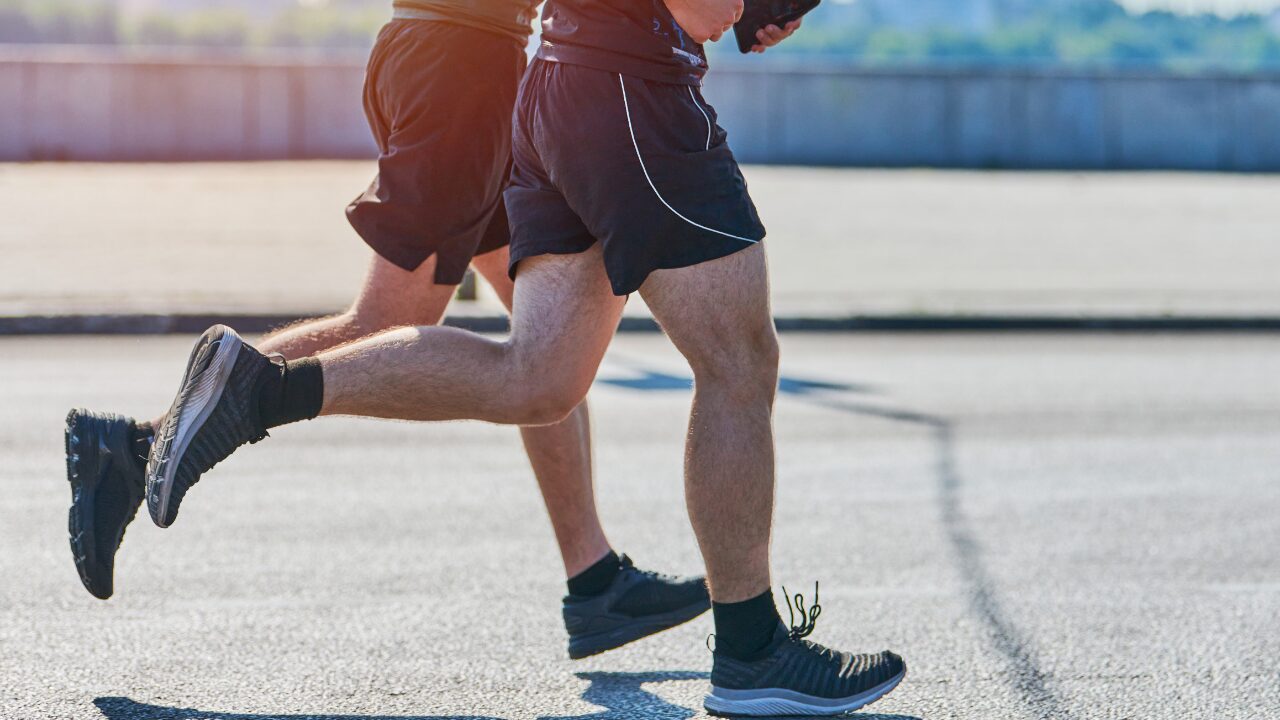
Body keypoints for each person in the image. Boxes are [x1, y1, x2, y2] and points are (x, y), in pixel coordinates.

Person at [134, 0, 910, 715]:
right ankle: (751, 651)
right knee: (739, 362)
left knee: (538, 380)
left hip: (559, 83)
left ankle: (260, 390)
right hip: (630, 92)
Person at [63, 0, 718, 663]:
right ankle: (136, 446)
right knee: (389, 323)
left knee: (546, 338)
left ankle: (595, 577)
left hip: (441, 52)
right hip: (464, 71)